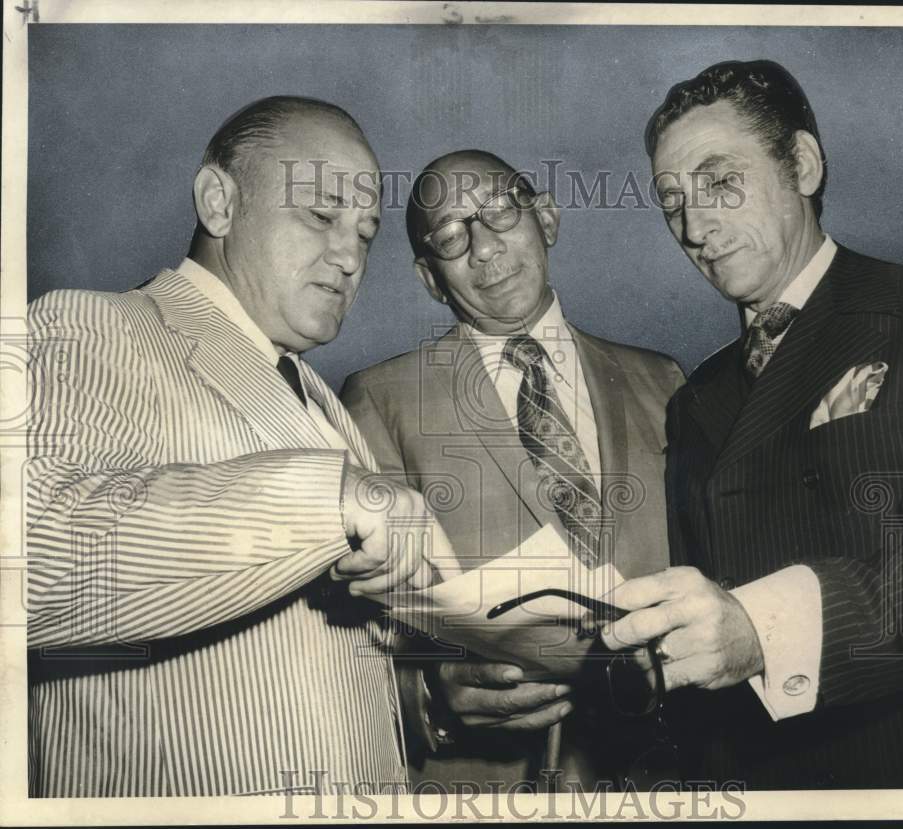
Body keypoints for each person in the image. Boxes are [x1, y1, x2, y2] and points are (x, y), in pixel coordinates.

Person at [25, 96, 456, 797]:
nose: (349, 255)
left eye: (367, 232)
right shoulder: (93, 324)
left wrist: (431, 688)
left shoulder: (320, 398)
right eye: (321, 213)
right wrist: (330, 498)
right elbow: (26, 556)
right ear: (219, 203)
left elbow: (317, 660)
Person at [601, 59, 903, 789]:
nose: (693, 226)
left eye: (718, 182)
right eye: (671, 201)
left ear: (802, 164)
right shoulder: (696, 397)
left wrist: (762, 630)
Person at [341, 150, 685, 790]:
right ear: (428, 277)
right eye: (449, 236)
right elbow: (353, 632)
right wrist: (430, 696)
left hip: (660, 780)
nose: (483, 246)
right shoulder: (377, 401)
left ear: (547, 218)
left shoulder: (662, 382)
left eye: (499, 212)